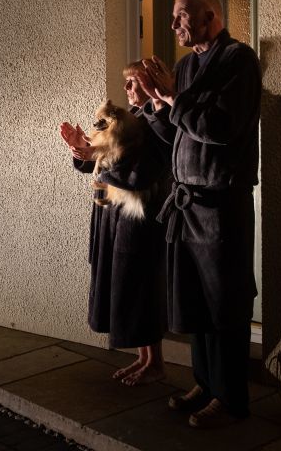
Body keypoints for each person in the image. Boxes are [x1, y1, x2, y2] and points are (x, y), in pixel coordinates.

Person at [133, 0, 261, 429]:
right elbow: (181, 135)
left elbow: (221, 128)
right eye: (173, 17)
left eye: (182, 17)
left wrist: (173, 99)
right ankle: (205, 384)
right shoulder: (186, 67)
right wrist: (154, 108)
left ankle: (232, 399)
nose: (173, 26)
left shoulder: (238, 62)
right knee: (195, 302)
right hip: (187, 204)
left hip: (221, 204)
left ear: (211, 17)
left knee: (224, 304)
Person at [58, 64, 171, 385]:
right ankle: (144, 358)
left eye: (135, 82)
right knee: (125, 284)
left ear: (151, 84)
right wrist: (83, 150)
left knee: (140, 286)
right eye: (128, 83)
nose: (128, 89)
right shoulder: (126, 118)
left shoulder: (158, 121)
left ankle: (156, 363)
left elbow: (143, 172)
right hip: (113, 215)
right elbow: (100, 160)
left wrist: (97, 157)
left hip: (140, 218)